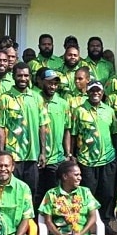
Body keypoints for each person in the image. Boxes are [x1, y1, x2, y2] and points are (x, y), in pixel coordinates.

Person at [71, 80, 117, 235]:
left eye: (98, 91)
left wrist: (116, 155)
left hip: (107, 159)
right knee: (89, 193)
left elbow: (115, 133)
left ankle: (104, 223)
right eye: (92, 91)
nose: (95, 93)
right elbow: (73, 134)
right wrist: (72, 155)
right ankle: (87, 225)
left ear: (102, 92)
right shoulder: (79, 111)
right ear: (87, 92)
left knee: (107, 193)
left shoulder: (109, 111)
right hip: (86, 159)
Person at [0, 62, 49, 198]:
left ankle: (29, 220)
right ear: (13, 76)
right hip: (13, 156)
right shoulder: (4, 99)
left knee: (32, 192)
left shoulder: (37, 98)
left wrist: (42, 152)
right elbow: (0, 127)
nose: (23, 78)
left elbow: (43, 126)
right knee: (11, 192)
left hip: (32, 155)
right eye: (19, 75)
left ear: (30, 77)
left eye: (26, 75)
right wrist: (1, 153)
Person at [36, 69, 72, 206]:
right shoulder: (35, 99)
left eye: (55, 84)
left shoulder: (63, 103)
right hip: (37, 156)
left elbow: (67, 129)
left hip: (57, 157)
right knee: (37, 192)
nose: (52, 86)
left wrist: (68, 153)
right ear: (41, 82)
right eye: (49, 83)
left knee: (55, 195)